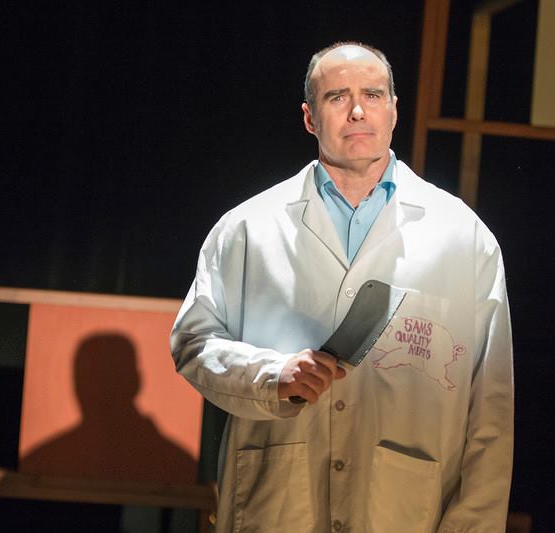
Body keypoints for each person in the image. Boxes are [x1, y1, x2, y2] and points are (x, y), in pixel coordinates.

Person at [170, 42, 513, 533]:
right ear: (310, 118)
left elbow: (492, 408)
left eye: (373, 94)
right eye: (337, 97)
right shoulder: (247, 228)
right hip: (277, 506)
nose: (357, 110)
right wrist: (273, 374)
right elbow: (194, 343)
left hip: (407, 510)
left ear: (394, 109)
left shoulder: (463, 237)